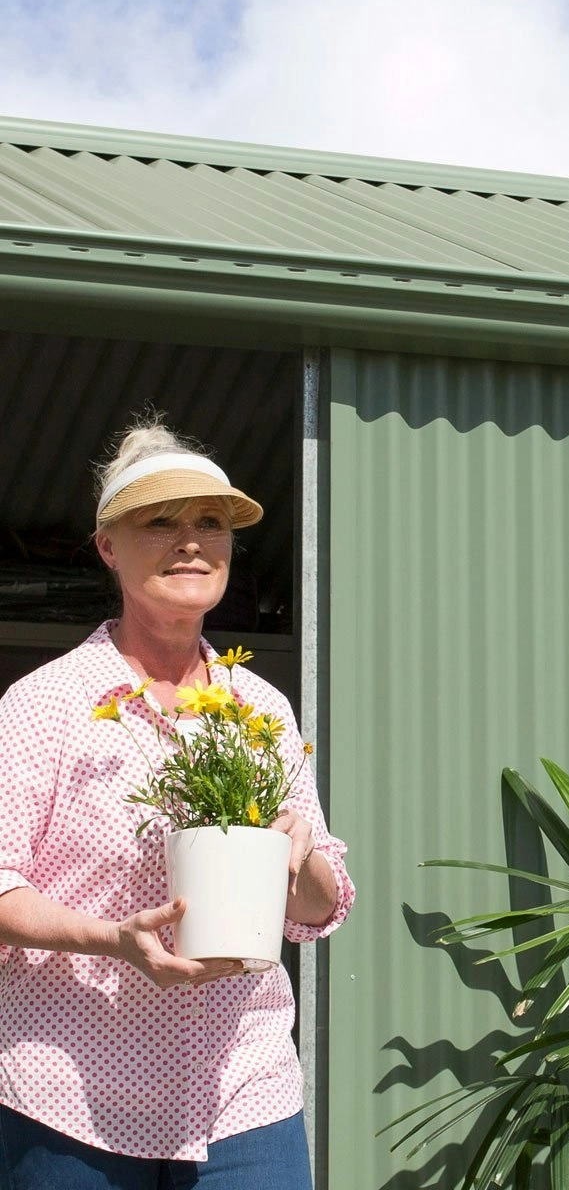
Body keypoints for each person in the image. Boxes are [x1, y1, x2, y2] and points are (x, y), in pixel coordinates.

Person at [0, 420, 355, 1188]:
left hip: (243, 1098)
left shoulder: (259, 708)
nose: (190, 542)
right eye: (159, 521)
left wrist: (297, 851)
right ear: (106, 545)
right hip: (76, 1098)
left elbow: (319, 905)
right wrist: (111, 938)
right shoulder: (44, 705)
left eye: (210, 523)